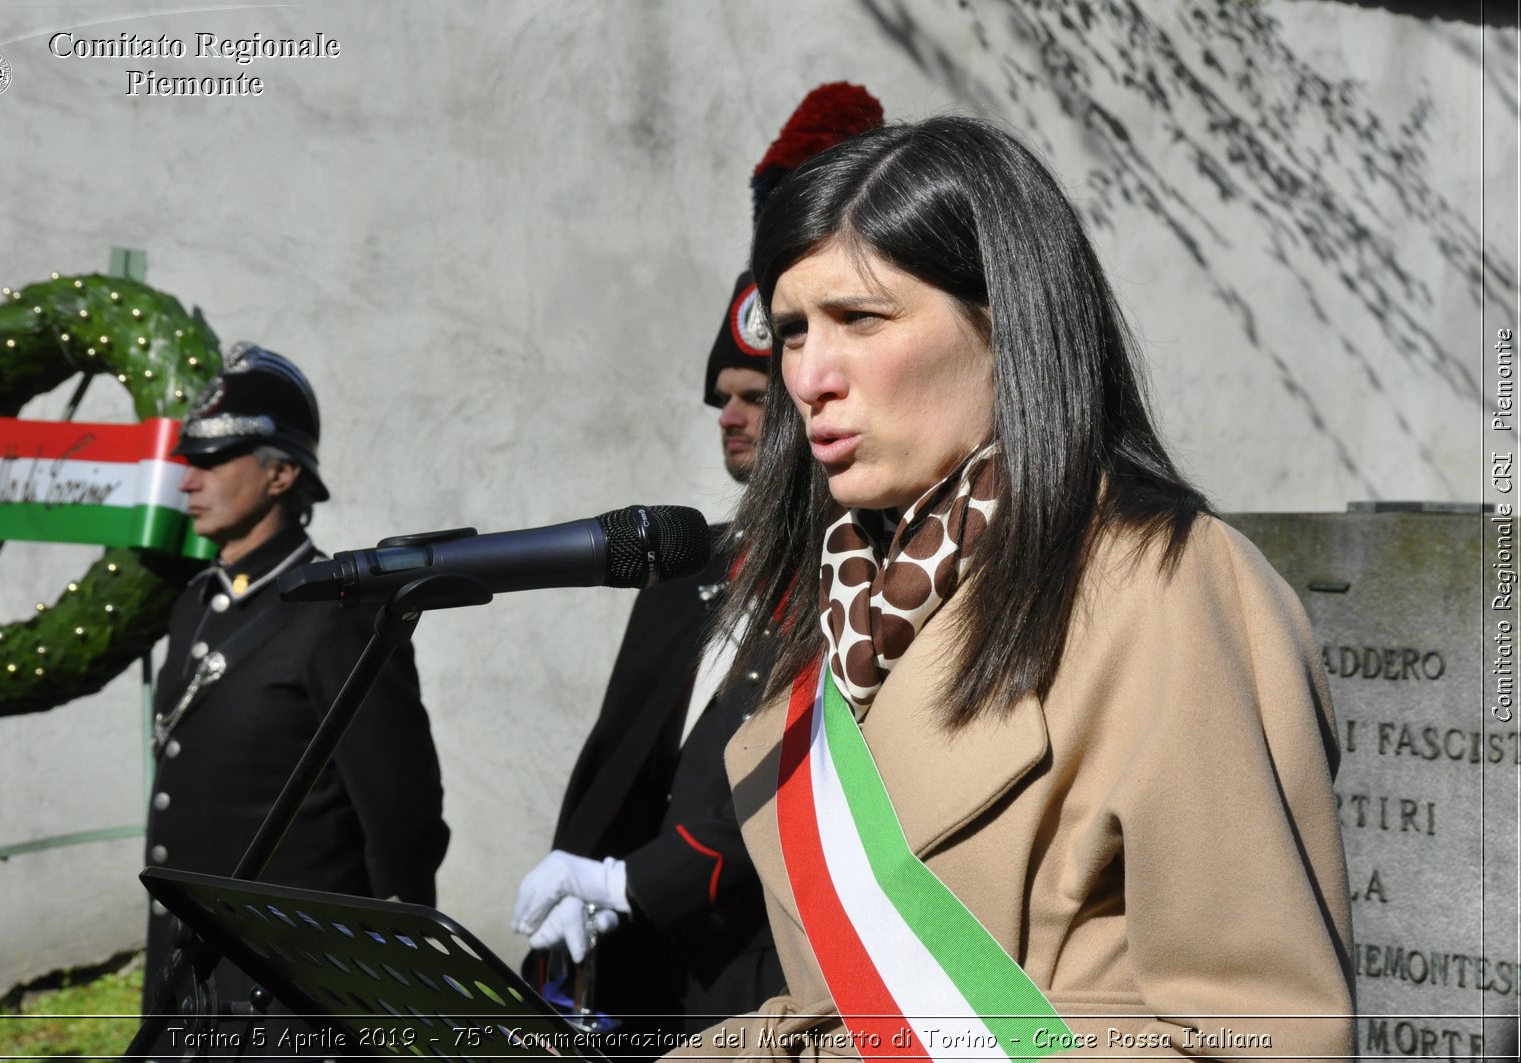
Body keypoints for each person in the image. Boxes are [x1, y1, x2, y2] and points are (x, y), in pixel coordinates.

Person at [683, 115, 1356, 1059]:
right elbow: (826, 1017)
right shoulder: (832, 618)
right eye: (794, 331)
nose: (810, 375)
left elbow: (1266, 1038)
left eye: (860, 319)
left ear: (1006, 324)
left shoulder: (1164, 583)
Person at [509, 84, 884, 1045]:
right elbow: (628, 757)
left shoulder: (860, 563)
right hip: (646, 974)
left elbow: (777, 788)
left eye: (757, 391)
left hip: (756, 973)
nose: (733, 413)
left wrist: (629, 882)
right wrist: (585, 880)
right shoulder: (692, 559)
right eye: (722, 394)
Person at [141, 343, 449, 1026]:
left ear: (280, 474)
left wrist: (378, 977)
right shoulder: (196, 603)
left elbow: (401, 815)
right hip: (186, 978)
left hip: (286, 990)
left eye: (212, 463)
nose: (187, 482)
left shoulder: (340, 614)